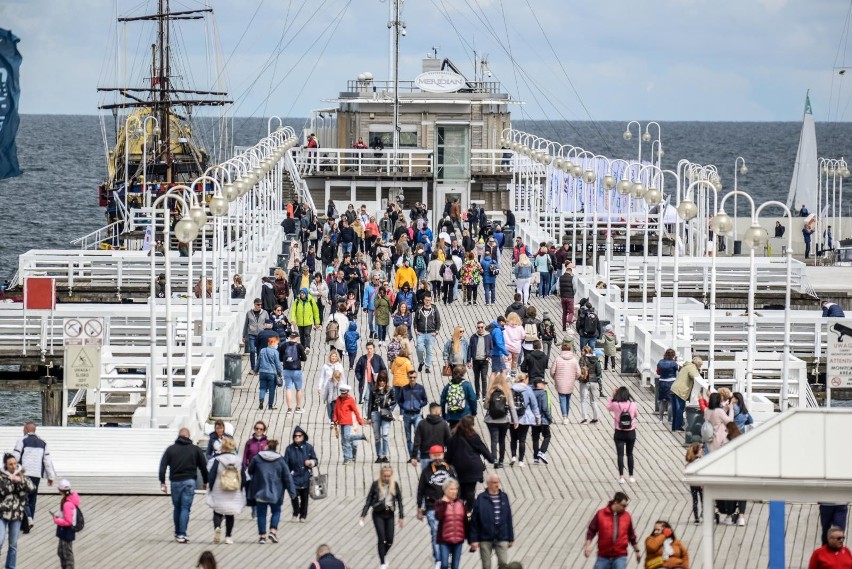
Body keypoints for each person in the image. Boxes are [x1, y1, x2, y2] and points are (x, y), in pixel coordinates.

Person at [158, 427, 209, 543]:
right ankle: (182, 534)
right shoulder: (195, 450)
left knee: (177, 507)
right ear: (189, 436)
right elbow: (203, 467)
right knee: (185, 508)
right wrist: (206, 481)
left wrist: (162, 482)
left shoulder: (171, 449)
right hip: (189, 482)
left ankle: (177, 533)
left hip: (175, 482)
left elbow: (162, 466)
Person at [248, 439, 296, 544]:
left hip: (260, 491)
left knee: (261, 514)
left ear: (267, 446)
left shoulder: (257, 458)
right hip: (276, 492)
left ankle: (262, 536)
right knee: (276, 512)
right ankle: (273, 532)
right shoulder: (280, 460)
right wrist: (292, 492)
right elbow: (287, 477)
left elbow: (250, 470)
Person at [417, 446, 458, 569]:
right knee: (436, 533)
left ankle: (448, 556)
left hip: (449, 507)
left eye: (439, 455)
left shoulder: (450, 469)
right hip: (432, 507)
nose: (437, 457)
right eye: (435, 455)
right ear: (430, 456)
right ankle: (439, 559)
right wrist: (419, 507)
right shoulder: (426, 472)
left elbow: (457, 488)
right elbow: (420, 490)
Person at [360, 465, 405, 569]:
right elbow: (369, 500)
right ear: (381, 475)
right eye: (384, 476)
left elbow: (400, 501)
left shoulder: (395, 485)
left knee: (390, 540)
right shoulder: (376, 485)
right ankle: (382, 562)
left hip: (390, 514)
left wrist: (401, 516)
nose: (386, 478)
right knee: (382, 538)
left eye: (388, 476)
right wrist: (363, 515)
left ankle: (383, 554)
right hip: (378, 513)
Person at [445, 416, 493, 511]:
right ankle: (469, 509)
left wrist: (446, 464)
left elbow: (449, 454)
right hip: (473, 467)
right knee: (470, 489)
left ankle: (461, 508)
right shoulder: (473, 436)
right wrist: (491, 459)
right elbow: (483, 449)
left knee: (462, 489)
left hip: (459, 468)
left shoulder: (453, 437)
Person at [12, 421, 56, 524]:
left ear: (27, 429)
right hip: (36, 474)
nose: (23, 431)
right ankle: (29, 521)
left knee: (24, 497)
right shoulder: (43, 442)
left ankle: (29, 519)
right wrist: (51, 477)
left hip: (24, 474)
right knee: (33, 498)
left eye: (23, 429)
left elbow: (15, 458)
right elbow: (47, 462)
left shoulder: (22, 440)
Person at [469, 473, 515, 569]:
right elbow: (474, 520)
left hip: (502, 535)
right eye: (494, 482)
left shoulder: (504, 497)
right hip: (485, 536)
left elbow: (508, 518)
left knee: (503, 563)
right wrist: (473, 539)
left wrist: (510, 537)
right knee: (486, 565)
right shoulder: (481, 498)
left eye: (498, 482)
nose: (497, 485)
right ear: (488, 484)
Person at [205, 438, 245, 545]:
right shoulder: (238, 460)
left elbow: (212, 475)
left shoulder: (217, 460)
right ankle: (228, 536)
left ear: (223, 447)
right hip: (233, 488)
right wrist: (241, 489)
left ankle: (217, 527)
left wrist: (210, 488)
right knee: (230, 514)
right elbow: (244, 476)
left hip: (219, 488)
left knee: (217, 511)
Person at [585, 492, 641, 567]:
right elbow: (591, 530)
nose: (625, 508)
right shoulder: (601, 514)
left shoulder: (626, 516)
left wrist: (637, 551)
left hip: (620, 556)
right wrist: (587, 546)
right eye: (623, 505)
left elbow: (631, 535)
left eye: (626, 506)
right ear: (616, 502)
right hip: (603, 555)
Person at [0, 453, 33, 568]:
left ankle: (10, 567)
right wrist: (11, 481)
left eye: (15, 463)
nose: (13, 466)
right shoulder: (1, 476)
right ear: (5, 465)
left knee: (13, 544)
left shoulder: (21, 473)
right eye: (10, 464)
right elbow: (3, 490)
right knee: (0, 539)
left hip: (17, 515)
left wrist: (20, 480)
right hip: (2, 513)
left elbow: (31, 487)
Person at [484, 372, 519, 468]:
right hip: (504, 420)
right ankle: (501, 461)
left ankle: (494, 459)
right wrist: (515, 421)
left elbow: (486, 406)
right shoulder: (507, 392)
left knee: (494, 440)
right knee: (502, 440)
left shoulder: (490, 392)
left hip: (491, 420)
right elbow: (512, 407)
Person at [283, 426, 318, 523]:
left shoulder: (308, 447)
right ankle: (295, 512)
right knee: (294, 496)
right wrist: (287, 474)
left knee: (304, 498)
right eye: (295, 436)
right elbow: (285, 463)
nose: (297, 437)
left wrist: (311, 462)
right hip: (294, 477)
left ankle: (303, 515)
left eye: (299, 436)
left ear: (303, 436)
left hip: (306, 477)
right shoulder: (289, 449)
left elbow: (315, 460)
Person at [608, 386, 639, 484]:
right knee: (630, 454)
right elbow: (635, 415)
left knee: (620, 455)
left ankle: (621, 477)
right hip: (631, 432)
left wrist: (612, 396)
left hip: (619, 432)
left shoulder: (616, 404)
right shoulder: (633, 404)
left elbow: (608, 407)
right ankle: (631, 476)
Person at [434, 478, 467, 569]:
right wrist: (444, 503)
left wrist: (471, 538)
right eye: (451, 489)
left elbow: (465, 521)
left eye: (455, 489)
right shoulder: (439, 503)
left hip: (458, 539)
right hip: (444, 539)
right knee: (444, 564)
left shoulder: (461, 503)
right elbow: (438, 516)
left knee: (455, 566)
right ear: (445, 490)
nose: (454, 491)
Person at [509, 373, 540, 467]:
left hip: (513, 417)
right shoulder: (528, 389)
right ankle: (521, 461)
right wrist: (537, 418)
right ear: (525, 380)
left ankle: (513, 456)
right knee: (522, 440)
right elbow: (534, 405)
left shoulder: (512, 388)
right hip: (525, 417)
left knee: (513, 438)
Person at [410, 403, 452, 471]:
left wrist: (414, 456)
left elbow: (417, 441)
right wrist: (446, 454)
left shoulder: (422, 424)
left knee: (426, 478)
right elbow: (449, 441)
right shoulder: (444, 424)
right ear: (437, 411)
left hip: (425, 456)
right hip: (439, 456)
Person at [551, 340, 583, 424]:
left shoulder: (558, 358)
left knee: (562, 398)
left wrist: (555, 377)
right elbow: (579, 372)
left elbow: (552, 371)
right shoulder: (574, 359)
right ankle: (567, 416)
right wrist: (574, 378)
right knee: (568, 399)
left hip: (560, 381)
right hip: (570, 381)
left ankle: (564, 417)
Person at [333, 384, 366, 464]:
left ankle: (348, 457)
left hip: (347, 422)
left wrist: (360, 420)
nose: (342, 395)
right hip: (341, 422)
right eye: (341, 393)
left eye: (344, 393)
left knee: (347, 438)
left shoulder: (350, 400)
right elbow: (336, 409)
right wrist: (334, 419)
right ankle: (346, 457)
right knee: (343, 440)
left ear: (347, 392)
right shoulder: (338, 399)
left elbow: (355, 411)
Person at [366, 374, 396, 463]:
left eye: (384, 380)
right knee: (377, 436)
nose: (382, 382)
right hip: (375, 413)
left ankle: (385, 455)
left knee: (385, 435)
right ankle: (379, 455)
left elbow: (395, 400)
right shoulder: (373, 390)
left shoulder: (389, 389)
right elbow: (370, 403)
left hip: (386, 412)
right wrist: (368, 417)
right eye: (380, 380)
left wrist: (389, 403)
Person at [398, 370, 428, 456]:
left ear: (416, 377)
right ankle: (412, 456)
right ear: (408, 377)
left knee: (417, 434)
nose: (412, 379)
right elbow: (399, 400)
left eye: (414, 377)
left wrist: (419, 405)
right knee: (408, 437)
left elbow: (425, 400)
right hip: (406, 414)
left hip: (417, 414)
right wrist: (404, 406)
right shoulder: (404, 388)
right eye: (410, 377)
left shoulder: (420, 388)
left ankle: (417, 454)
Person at [51, 479, 79, 569]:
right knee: (61, 552)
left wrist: (57, 520)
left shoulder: (67, 504)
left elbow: (68, 522)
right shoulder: (68, 501)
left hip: (67, 531)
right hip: (66, 531)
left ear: (60, 490)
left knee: (66, 554)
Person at [279, 331, 308, 414]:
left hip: (286, 370)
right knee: (298, 389)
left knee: (288, 388)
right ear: (297, 338)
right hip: (296, 370)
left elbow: (280, 358)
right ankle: (298, 407)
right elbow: (304, 359)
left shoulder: (283, 345)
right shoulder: (299, 346)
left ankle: (289, 409)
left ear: (289, 337)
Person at [671, 357, 702, 432]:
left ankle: (674, 426)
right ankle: (678, 427)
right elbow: (694, 375)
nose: (700, 367)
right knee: (679, 409)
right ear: (697, 364)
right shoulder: (692, 367)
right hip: (681, 390)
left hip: (674, 388)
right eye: (700, 365)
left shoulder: (687, 366)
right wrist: (698, 372)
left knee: (675, 409)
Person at [254, 335, 284, 410]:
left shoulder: (262, 350)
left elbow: (258, 361)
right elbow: (277, 364)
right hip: (272, 373)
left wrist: (255, 370)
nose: (277, 345)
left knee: (262, 388)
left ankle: (261, 401)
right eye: (277, 343)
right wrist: (280, 373)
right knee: (271, 389)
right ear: (273, 343)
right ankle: (270, 405)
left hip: (262, 372)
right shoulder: (275, 352)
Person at [414, 293, 441, 374]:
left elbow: (438, 321)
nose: (427, 302)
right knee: (419, 349)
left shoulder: (434, 309)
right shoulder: (419, 309)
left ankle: (427, 366)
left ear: (431, 300)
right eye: (426, 300)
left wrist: (436, 331)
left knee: (429, 351)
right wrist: (415, 329)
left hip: (431, 333)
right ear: (423, 300)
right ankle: (421, 361)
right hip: (421, 333)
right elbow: (415, 320)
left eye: (429, 300)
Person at [355, 341, 389, 405]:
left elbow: (384, 369)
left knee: (376, 398)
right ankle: (368, 413)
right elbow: (357, 370)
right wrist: (360, 378)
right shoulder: (362, 359)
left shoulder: (378, 358)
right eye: (368, 349)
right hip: (366, 382)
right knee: (367, 398)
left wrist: (381, 378)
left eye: (371, 348)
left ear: (374, 349)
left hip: (376, 382)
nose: (369, 350)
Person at [467, 321, 494, 399]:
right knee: (476, 378)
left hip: (485, 360)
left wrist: (489, 356)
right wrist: (469, 360)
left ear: (484, 327)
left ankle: (484, 395)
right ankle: (477, 395)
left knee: (484, 377)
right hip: (476, 361)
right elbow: (470, 348)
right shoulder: (473, 337)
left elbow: (491, 348)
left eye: (482, 327)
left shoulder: (488, 336)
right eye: (478, 327)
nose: (480, 329)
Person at [243, 299, 270, 373]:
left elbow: (268, 323)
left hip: (261, 335)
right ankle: (253, 367)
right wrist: (244, 336)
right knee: (252, 350)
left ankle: (258, 368)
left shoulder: (265, 313)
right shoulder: (249, 313)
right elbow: (246, 325)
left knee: (260, 352)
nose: (260, 306)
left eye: (261, 304)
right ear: (254, 304)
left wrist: (267, 331)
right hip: (251, 334)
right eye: (258, 305)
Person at [530, 377, 553, 465]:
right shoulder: (543, 393)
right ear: (538, 384)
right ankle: (542, 452)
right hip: (543, 420)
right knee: (547, 436)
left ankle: (536, 458)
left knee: (535, 439)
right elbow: (544, 407)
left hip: (534, 420)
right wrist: (550, 418)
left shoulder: (531, 393)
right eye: (543, 383)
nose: (544, 385)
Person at [579, 345, 602, 425]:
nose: (581, 352)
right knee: (593, 401)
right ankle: (596, 419)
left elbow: (580, 369)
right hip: (594, 382)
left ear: (585, 352)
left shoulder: (582, 358)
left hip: (584, 381)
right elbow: (599, 372)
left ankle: (585, 418)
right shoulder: (596, 359)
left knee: (583, 400)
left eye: (582, 350)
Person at [656, 349, 678, 424]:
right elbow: (676, 370)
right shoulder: (673, 363)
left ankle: (661, 419)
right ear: (673, 355)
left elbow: (658, 372)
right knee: (670, 402)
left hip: (662, 382)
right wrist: (675, 361)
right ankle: (669, 419)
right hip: (671, 382)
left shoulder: (660, 362)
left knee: (662, 401)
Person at [685, 444, 704, 525]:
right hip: (700, 484)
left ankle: (696, 518)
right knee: (703, 500)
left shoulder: (690, 462)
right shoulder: (700, 462)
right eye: (701, 451)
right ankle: (704, 514)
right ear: (698, 452)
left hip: (693, 484)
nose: (702, 453)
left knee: (695, 501)